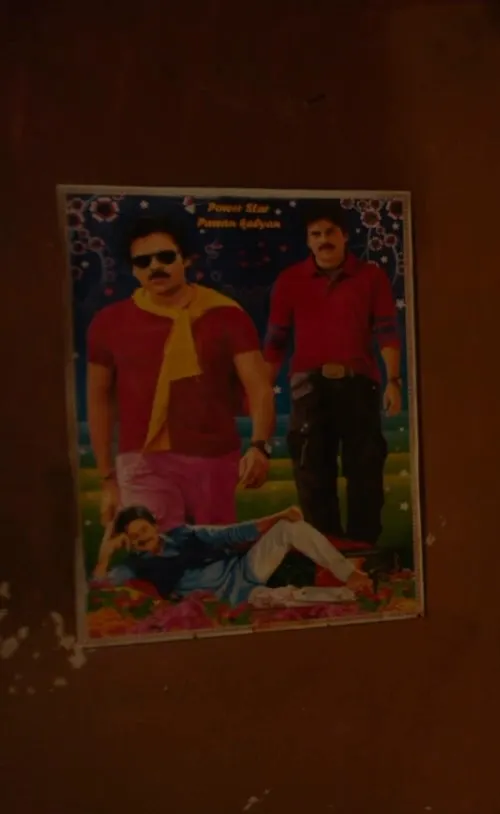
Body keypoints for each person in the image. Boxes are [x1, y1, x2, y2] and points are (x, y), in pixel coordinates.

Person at [85, 216, 278, 533]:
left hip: (214, 458)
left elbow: (259, 387)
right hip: (141, 461)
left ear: (186, 259)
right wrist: (107, 479)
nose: (155, 267)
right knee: (159, 553)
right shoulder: (108, 323)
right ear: (133, 269)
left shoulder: (226, 314)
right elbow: (98, 400)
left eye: (165, 257)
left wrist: (259, 446)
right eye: (143, 261)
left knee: (212, 553)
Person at [263, 204, 403, 545]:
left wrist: (394, 381)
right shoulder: (289, 280)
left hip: (360, 384)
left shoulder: (371, 277)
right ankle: (324, 552)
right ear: (308, 241)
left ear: (344, 236)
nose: (323, 240)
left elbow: (387, 330)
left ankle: (363, 549)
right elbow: (276, 340)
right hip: (307, 389)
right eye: (316, 234)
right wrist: (262, 389)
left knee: (365, 467)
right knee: (311, 470)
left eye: (330, 232)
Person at [93, 504, 371, 607]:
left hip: (244, 569)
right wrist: (105, 554)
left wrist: (280, 515)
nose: (142, 538)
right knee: (284, 598)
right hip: (231, 598)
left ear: (154, 525)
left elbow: (231, 533)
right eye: (134, 536)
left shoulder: (185, 533)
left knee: (289, 527)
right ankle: (350, 596)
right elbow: (99, 586)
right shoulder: (136, 565)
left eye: (143, 529)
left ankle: (350, 574)